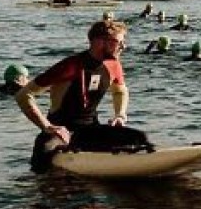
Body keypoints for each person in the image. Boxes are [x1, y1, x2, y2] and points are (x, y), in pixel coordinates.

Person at [14, 19, 151, 173]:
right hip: (63, 131)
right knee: (44, 151)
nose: (123, 46)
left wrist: (120, 114)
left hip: (91, 129)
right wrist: (46, 126)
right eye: (118, 42)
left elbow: (120, 91)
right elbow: (23, 94)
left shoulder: (113, 65)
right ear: (99, 42)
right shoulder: (71, 66)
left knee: (140, 138)